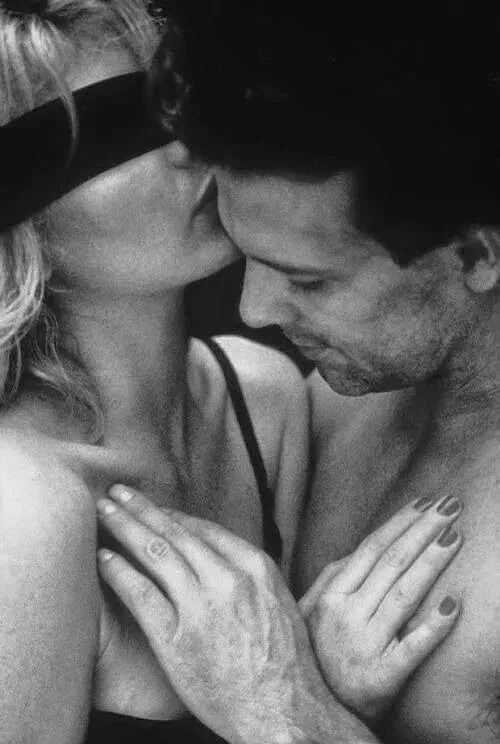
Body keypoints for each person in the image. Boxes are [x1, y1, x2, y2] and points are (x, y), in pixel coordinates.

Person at [0, 2, 462, 744]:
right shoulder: (22, 508)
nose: (187, 149)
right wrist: (294, 713)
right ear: (20, 218)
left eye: (167, 107)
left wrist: (319, 695)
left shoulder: (264, 400)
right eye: (109, 136)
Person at [131, 2, 498, 743]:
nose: (255, 309)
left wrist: (286, 712)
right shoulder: (322, 411)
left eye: (309, 280)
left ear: (476, 255)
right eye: (248, 258)